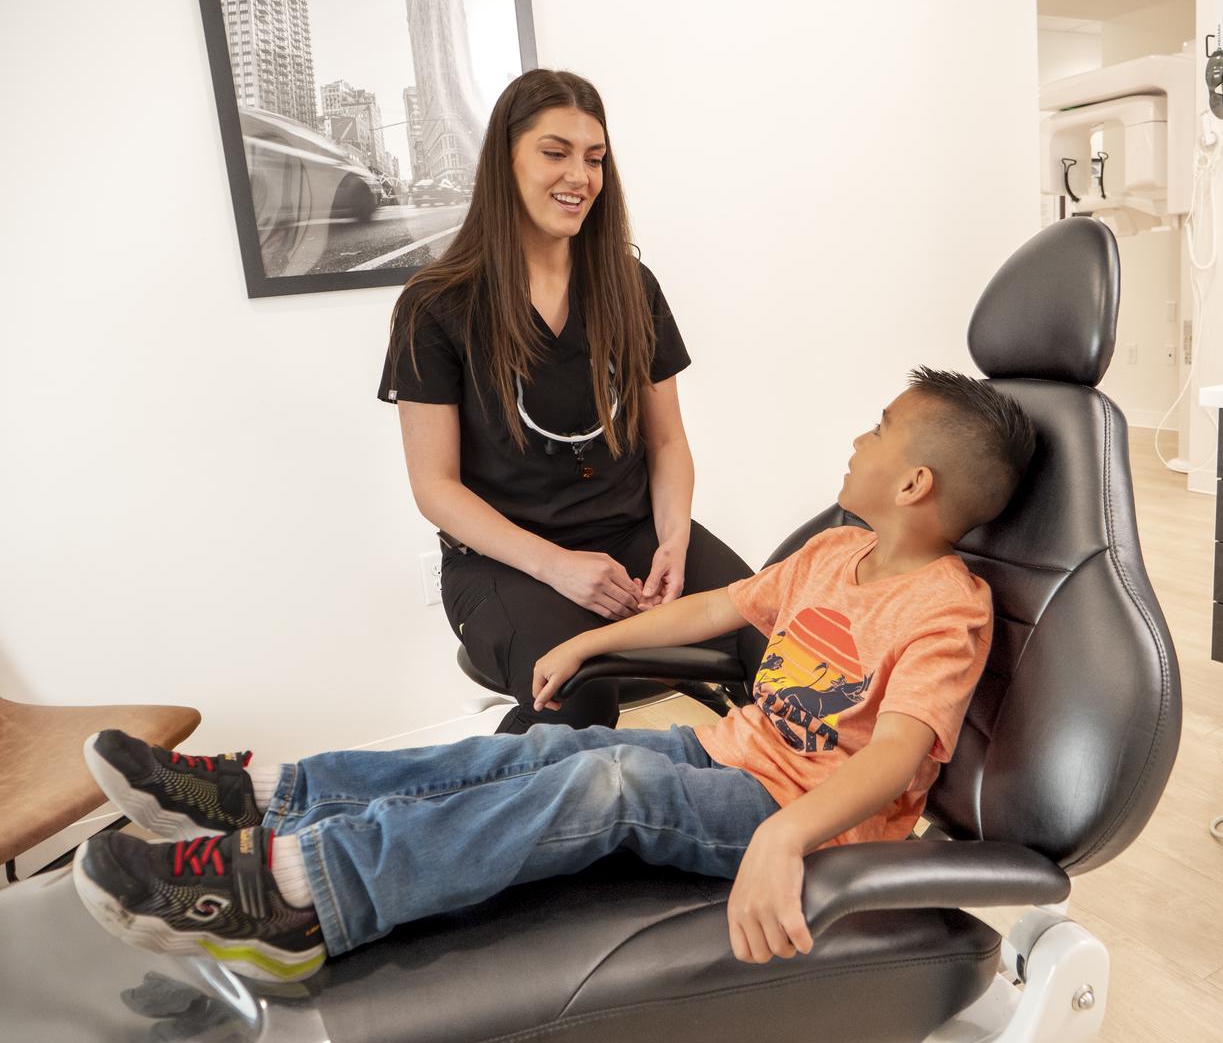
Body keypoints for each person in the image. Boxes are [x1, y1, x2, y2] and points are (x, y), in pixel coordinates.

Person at [72, 370, 1036, 983]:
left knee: (599, 781)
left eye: (880, 429)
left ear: (916, 484)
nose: (859, 438)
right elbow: (717, 609)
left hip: (805, 817)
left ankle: (297, 895)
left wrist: (786, 835)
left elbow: (902, 752)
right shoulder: (833, 556)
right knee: (543, 751)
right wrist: (585, 645)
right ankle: (263, 798)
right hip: (723, 753)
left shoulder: (948, 607)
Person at [380, 68, 755, 733]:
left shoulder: (630, 287)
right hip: (505, 562)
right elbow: (434, 486)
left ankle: (763, 817)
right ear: (506, 161)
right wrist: (558, 568)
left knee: (783, 639)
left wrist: (674, 538)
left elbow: (667, 442)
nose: (578, 176)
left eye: (594, 158)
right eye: (555, 153)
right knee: (576, 694)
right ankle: (462, 811)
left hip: (636, 538)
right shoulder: (435, 306)